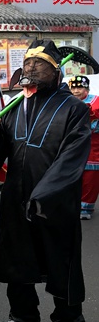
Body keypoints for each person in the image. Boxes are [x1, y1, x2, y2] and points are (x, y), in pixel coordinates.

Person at [0, 40, 91, 322]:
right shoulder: (15, 106)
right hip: (16, 196)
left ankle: (68, 320)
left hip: (54, 200)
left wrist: (44, 194)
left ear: (56, 71)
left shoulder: (74, 109)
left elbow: (71, 158)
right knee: (17, 257)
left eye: (39, 64)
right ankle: (24, 315)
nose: (30, 69)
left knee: (60, 259)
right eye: (27, 63)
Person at [68, 75, 99, 220]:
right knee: (71, 178)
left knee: (90, 178)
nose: (76, 91)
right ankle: (71, 205)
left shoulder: (95, 101)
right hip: (71, 147)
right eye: (73, 88)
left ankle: (86, 207)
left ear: (86, 89)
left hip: (93, 147)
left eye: (79, 87)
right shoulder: (66, 102)